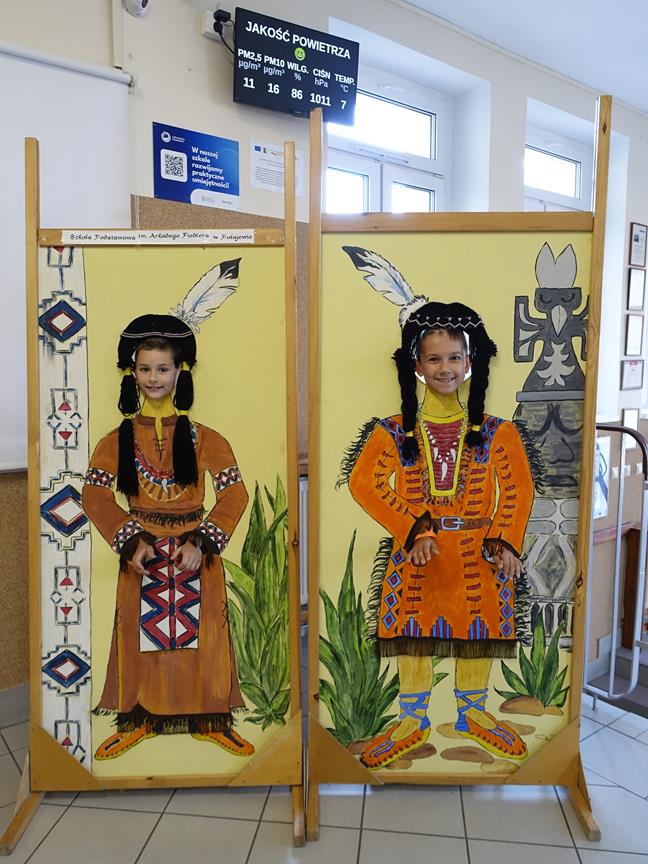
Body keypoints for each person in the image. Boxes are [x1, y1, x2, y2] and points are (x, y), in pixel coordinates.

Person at [348, 301, 534, 769]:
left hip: (477, 554)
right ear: (417, 365)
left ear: (470, 363)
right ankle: (412, 720)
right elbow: (365, 483)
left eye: (454, 357)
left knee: (477, 627)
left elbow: (516, 489)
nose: (445, 368)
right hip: (419, 555)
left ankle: (473, 714)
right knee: (413, 629)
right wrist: (415, 527)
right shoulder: (394, 432)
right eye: (433, 358)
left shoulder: (497, 433)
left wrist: (504, 542)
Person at [82, 314, 255, 760]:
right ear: (132, 373)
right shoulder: (115, 441)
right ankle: (138, 720)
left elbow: (235, 494)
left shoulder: (207, 439)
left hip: (196, 553)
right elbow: (94, 496)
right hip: (141, 553)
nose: (153, 378)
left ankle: (211, 720)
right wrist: (130, 539)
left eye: (163, 368)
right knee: (138, 641)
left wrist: (202, 542)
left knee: (207, 639)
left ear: (181, 371)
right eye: (145, 368)